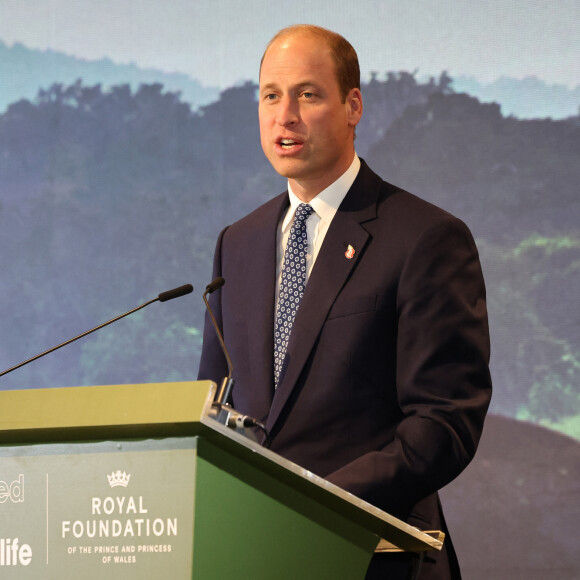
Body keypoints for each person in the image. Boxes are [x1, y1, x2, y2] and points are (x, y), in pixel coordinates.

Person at [198, 24, 492, 580]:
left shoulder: (424, 238)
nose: (285, 115)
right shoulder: (237, 242)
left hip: (372, 555)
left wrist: (315, 497)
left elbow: (445, 421)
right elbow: (210, 406)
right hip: (252, 556)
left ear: (352, 105)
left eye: (307, 94)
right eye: (270, 95)